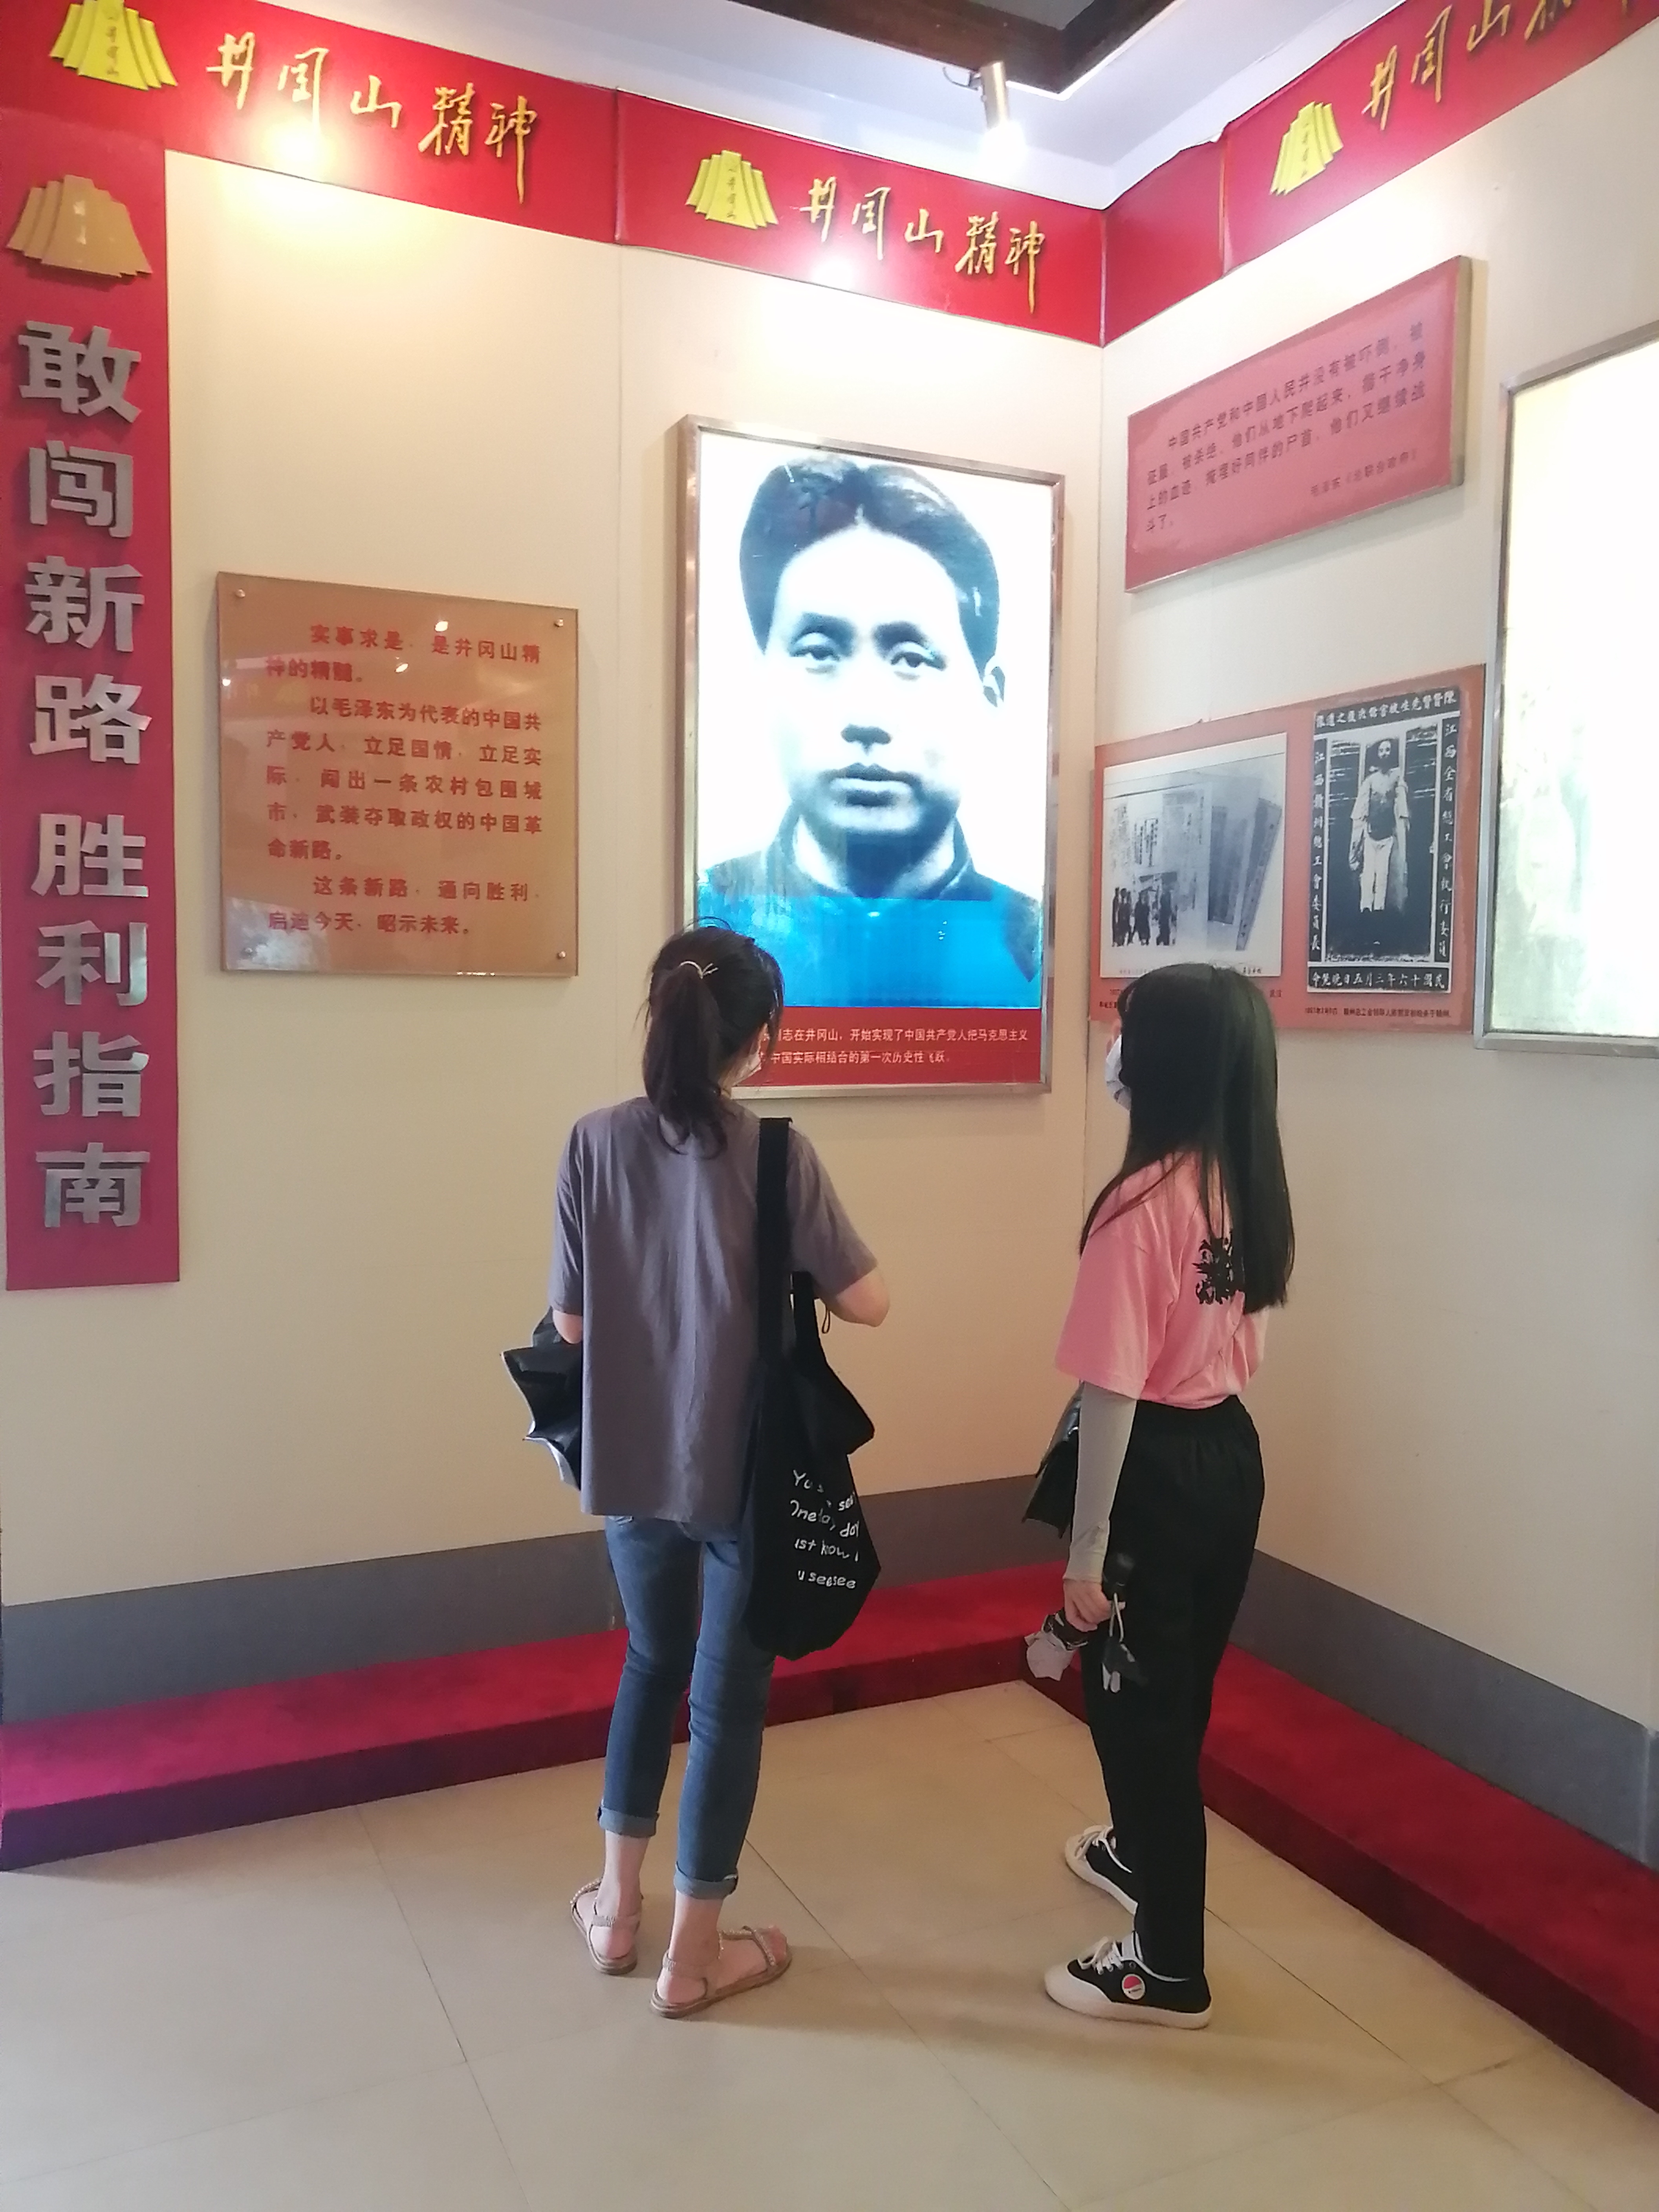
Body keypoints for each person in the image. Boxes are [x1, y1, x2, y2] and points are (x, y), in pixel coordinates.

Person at [552, 924, 888, 2016]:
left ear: (659, 1014)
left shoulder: (591, 1142)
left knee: (650, 1662)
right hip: (745, 1473)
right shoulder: (778, 1155)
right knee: (728, 1703)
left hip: (630, 1465)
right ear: (759, 1042)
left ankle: (615, 1913)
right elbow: (870, 1300)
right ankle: (694, 1958)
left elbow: (571, 1324)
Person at [1043, 965, 1294, 2029]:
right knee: (1176, 1692)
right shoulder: (1247, 1180)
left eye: (1127, 1029)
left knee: (1135, 1711)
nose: (1114, 1046)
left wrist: (1085, 1557)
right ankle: (1136, 1849)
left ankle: (1167, 1965)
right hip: (1229, 1455)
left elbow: (1111, 1392)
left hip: (1150, 1466)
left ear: (1167, 1062)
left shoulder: (1139, 1205)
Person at [698, 452, 1042, 1010]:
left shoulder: (1036, 951)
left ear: (989, 697)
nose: (866, 716)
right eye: (819, 652)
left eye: (911, 659)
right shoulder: (707, 921)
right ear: (761, 679)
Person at [1348, 735, 1409, 949]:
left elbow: (1401, 809)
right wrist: (1357, 843)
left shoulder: (1397, 779)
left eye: (1388, 750)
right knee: (1368, 879)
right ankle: (1364, 926)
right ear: (1377, 754)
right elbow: (1360, 811)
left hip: (1387, 838)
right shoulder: (1370, 781)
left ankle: (1378, 929)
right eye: (1382, 750)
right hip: (1370, 836)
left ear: (1392, 754)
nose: (1385, 753)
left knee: (1382, 879)